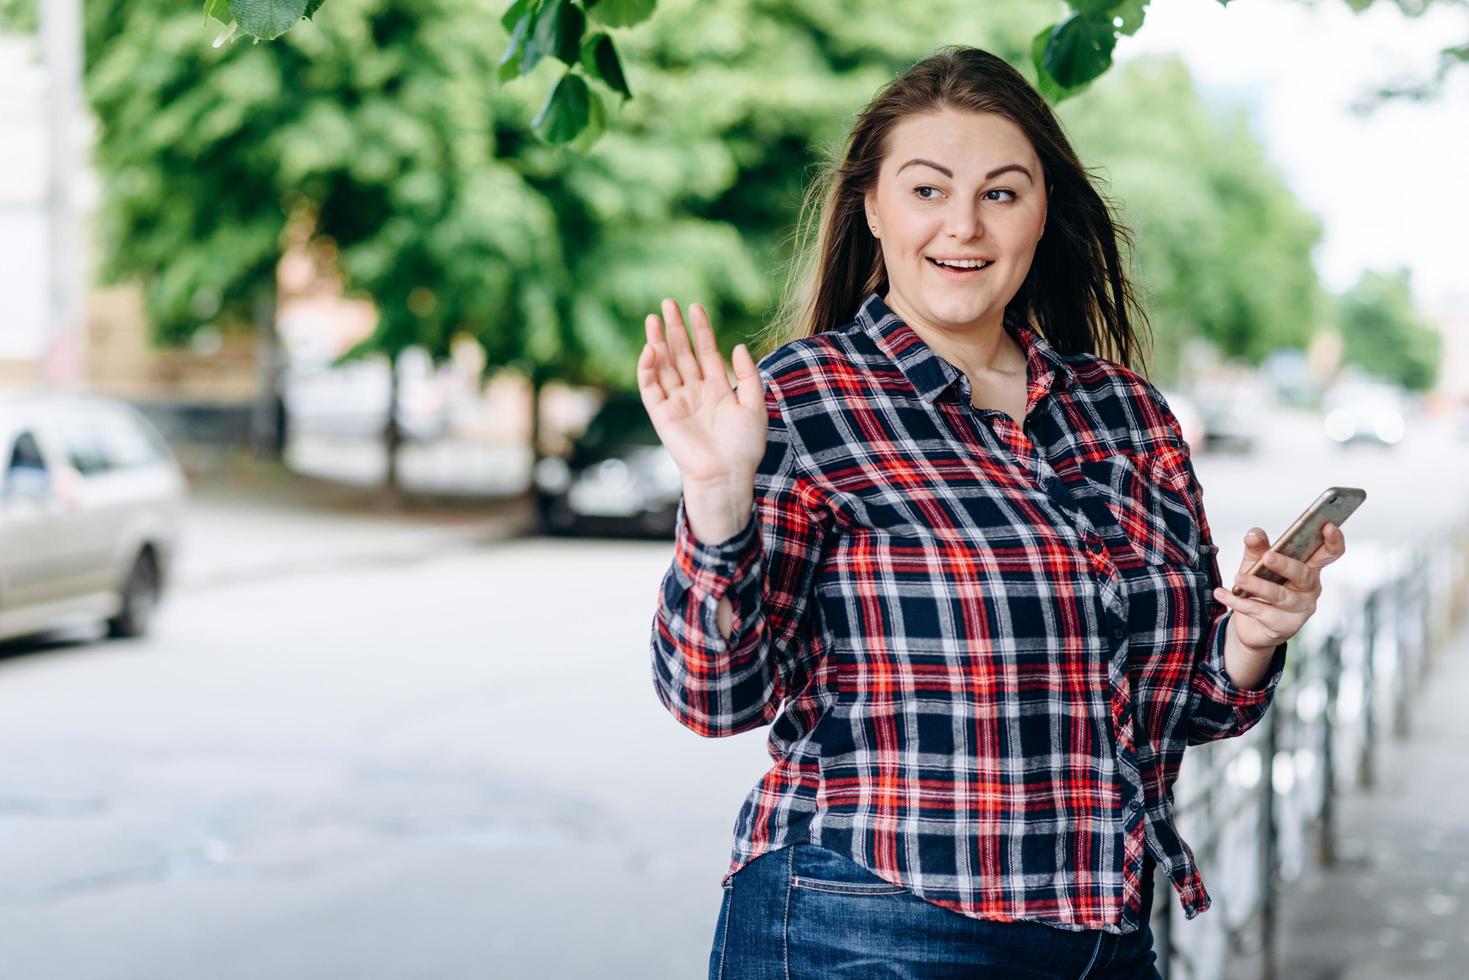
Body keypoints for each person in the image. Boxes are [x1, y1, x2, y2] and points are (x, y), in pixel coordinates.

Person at [639, 45, 1346, 980]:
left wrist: (1253, 634)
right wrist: (718, 501)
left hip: (1107, 940)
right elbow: (711, 697)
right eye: (927, 190)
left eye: (1001, 193)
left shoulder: (1126, 412)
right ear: (873, 208)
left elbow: (1179, 710)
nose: (962, 226)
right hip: (870, 928)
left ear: (1041, 210)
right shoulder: (799, 403)